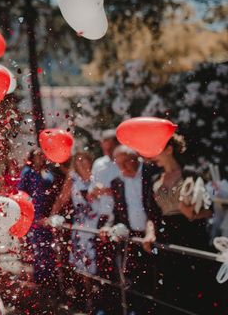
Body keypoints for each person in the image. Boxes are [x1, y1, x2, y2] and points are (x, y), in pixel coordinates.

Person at [142, 134, 216, 312]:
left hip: (190, 238)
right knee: (167, 294)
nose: (153, 156)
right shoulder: (154, 180)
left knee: (191, 292)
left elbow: (210, 209)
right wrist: (149, 233)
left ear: (169, 149)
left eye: (157, 150)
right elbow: (152, 214)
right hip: (165, 242)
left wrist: (192, 213)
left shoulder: (191, 175)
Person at [107, 145, 157, 314]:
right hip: (132, 237)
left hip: (153, 235)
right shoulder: (117, 182)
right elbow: (117, 212)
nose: (122, 168)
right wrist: (109, 226)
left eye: (125, 163)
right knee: (133, 279)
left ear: (134, 158)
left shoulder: (152, 173)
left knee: (155, 278)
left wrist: (152, 231)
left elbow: (156, 209)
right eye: (118, 164)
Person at [51, 148, 97, 311]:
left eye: (84, 160)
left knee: (98, 263)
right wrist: (52, 215)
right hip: (80, 225)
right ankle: (86, 298)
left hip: (97, 222)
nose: (81, 163)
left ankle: (98, 299)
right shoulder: (73, 179)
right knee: (82, 263)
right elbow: (62, 199)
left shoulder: (97, 176)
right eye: (78, 161)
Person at [17, 148, 60, 289]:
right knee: (37, 247)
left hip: (47, 214)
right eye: (38, 156)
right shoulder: (27, 172)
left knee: (48, 247)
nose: (40, 158)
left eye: (42, 156)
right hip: (34, 214)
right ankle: (39, 279)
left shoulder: (48, 172)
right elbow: (21, 192)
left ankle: (50, 279)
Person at [89, 129, 121, 283]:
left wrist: (107, 191)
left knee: (122, 263)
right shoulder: (98, 163)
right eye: (104, 148)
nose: (107, 151)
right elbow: (91, 189)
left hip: (119, 217)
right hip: (102, 216)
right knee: (104, 263)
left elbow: (126, 189)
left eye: (109, 148)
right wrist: (94, 192)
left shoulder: (123, 162)